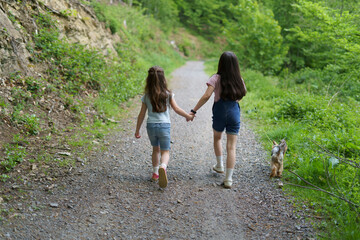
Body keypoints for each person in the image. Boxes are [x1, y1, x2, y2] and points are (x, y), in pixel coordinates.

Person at [190, 51, 246, 189]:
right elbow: (243, 93)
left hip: (219, 110)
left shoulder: (215, 78)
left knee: (217, 138)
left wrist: (194, 110)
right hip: (234, 110)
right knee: (231, 147)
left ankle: (220, 165)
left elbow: (206, 96)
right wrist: (235, 101)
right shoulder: (239, 79)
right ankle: (228, 179)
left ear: (221, 63)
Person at [135, 66, 194, 188]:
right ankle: (163, 166)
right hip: (164, 126)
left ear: (148, 80)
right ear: (163, 80)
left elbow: (141, 114)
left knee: (155, 149)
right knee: (165, 151)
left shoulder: (146, 96)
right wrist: (187, 116)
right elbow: (177, 109)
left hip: (151, 126)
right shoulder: (168, 94)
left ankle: (155, 173)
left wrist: (137, 130)